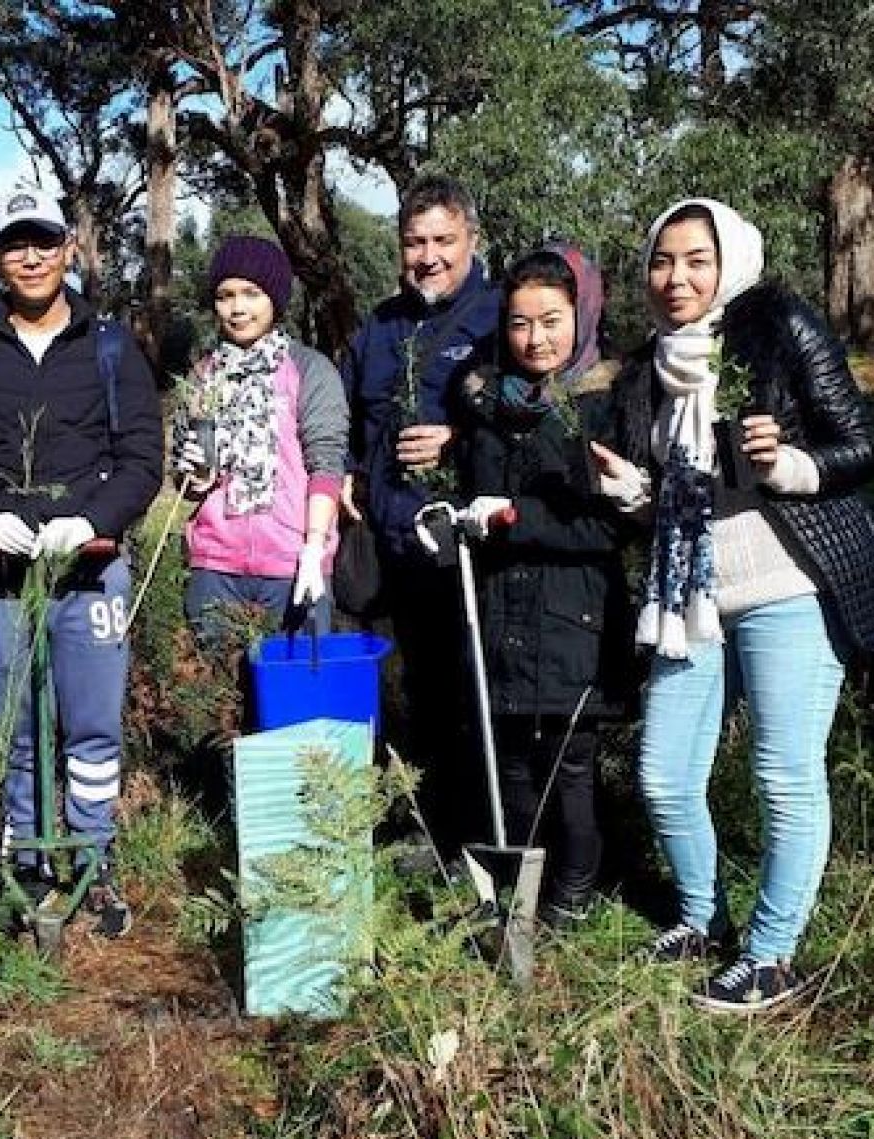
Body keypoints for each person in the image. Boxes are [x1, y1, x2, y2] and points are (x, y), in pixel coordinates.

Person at [592, 198, 874, 1012]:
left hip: (791, 587)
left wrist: (789, 465)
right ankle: (701, 919)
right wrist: (633, 494)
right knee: (665, 776)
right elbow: (667, 498)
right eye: (663, 261)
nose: (676, 278)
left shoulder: (777, 324)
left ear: (730, 261)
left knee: (783, 774)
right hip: (691, 595)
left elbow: (860, 446)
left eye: (695, 260)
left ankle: (773, 954)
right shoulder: (646, 371)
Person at [0, 189, 163, 937]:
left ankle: (95, 859)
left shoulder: (110, 345)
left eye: (43, 241)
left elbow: (142, 458)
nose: (29, 256)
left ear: (68, 249)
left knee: (92, 727)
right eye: (13, 244)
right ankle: (25, 859)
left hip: (88, 570)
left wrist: (93, 520)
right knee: (13, 729)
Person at [446, 245, 634, 927]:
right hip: (503, 613)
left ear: (579, 316)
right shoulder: (488, 402)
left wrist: (516, 520)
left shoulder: (604, 405)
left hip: (574, 621)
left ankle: (574, 896)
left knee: (570, 768)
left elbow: (605, 530)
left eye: (551, 320)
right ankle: (520, 892)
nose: (536, 339)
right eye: (521, 323)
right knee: (514, 767)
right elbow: (477, 495)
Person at [343, 175, 501, 854]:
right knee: (403, 700)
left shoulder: (501, 317)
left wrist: (461, 439)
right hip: (388, 554)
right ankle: (406, 828)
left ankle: (469, 842)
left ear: (471, 240)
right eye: (414, 242)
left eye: (443, 240)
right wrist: (348, 476)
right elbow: (346, 418)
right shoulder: (378, 328)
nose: (428, 256)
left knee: (470, 702)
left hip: (467, 555)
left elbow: (535, 415)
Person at [173, 235, 348, 640]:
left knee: (297, 695)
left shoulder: (310, 370)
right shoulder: (202, 376)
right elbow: (189, 486)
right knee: (213, 696)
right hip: (216, 565)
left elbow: (326, 463)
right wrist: (195, 474)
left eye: (251, 294)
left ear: (275, 298)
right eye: (225, 295)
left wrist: (313, 549)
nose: (237, 308)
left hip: (291, 564)